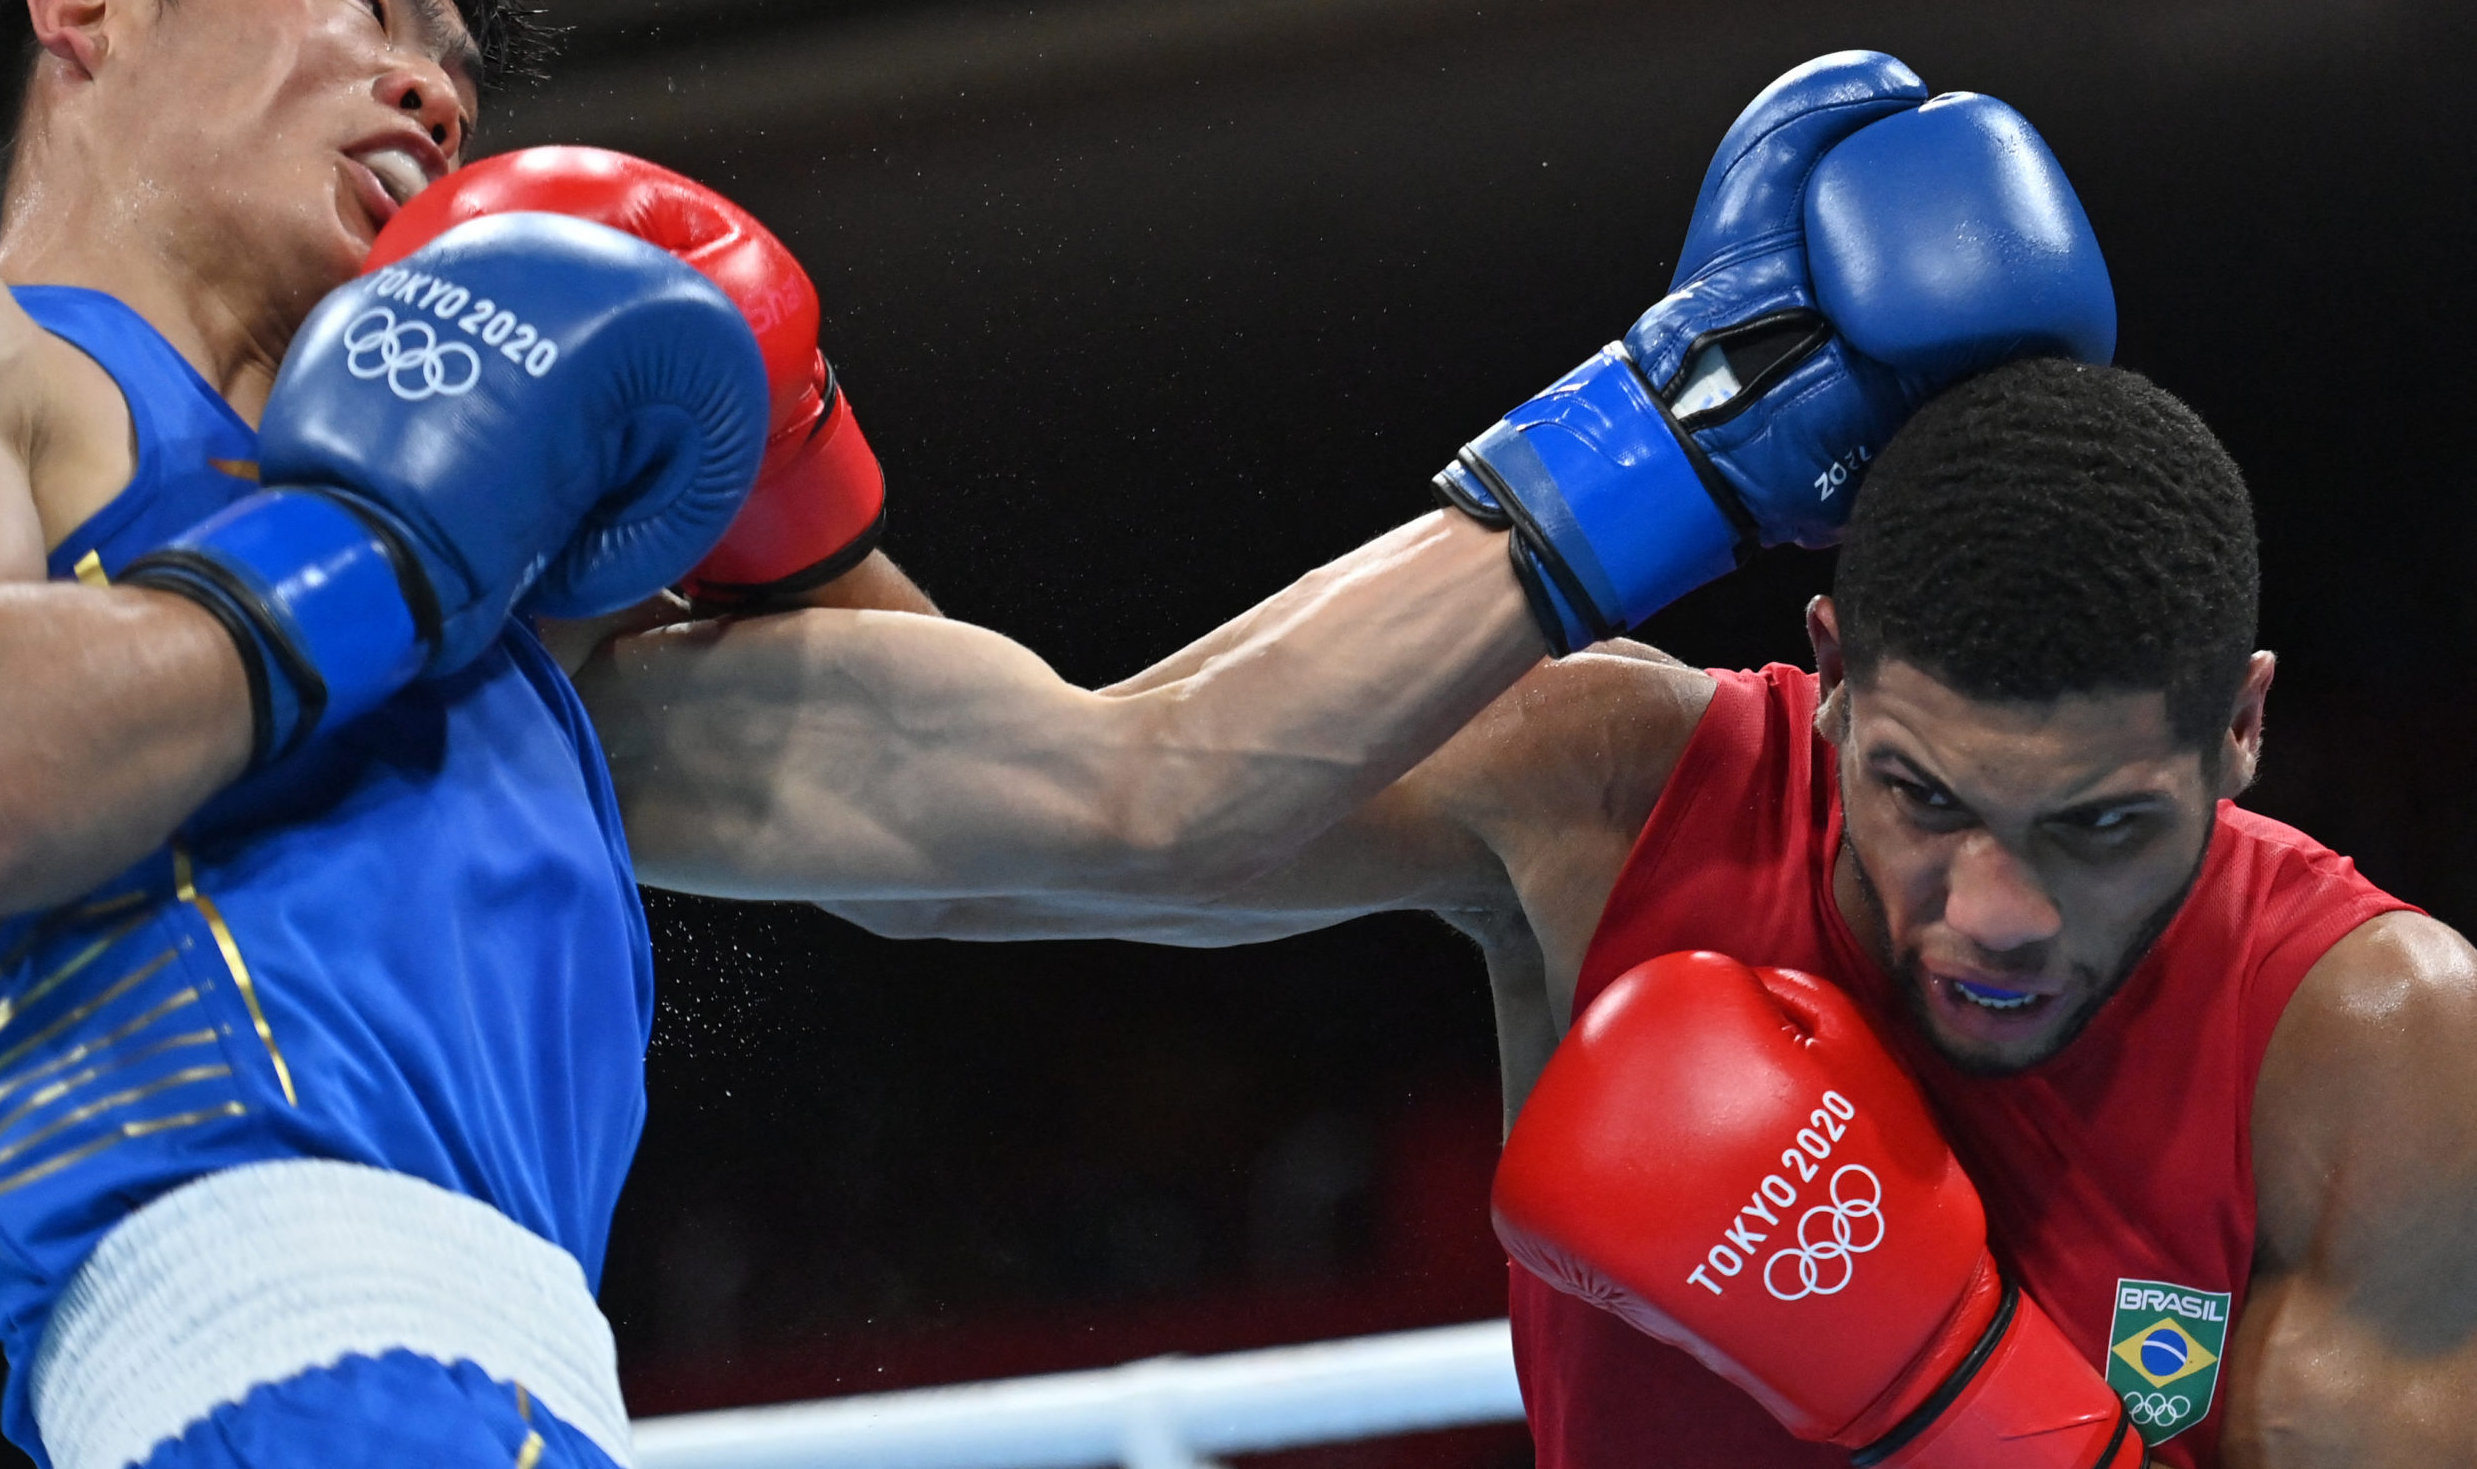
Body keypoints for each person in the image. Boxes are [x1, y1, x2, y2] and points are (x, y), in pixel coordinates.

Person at [0, 0, 2109, 1469]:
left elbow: (1129, 787)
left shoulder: (512, 635)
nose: (426, 87)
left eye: (459, 65)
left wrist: (1678, 428)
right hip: (246, 1368)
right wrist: (385, 543)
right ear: (86, 16)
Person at [869, 359, 2477, 1465]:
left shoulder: (2375, 1048)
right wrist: (787, 501)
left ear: (2243, 731)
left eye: (2103, 824)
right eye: (1926, 797)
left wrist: (1958, 1402)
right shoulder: (1611, 796)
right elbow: (986, 848)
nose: (1999, 912)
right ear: (1834, 673)